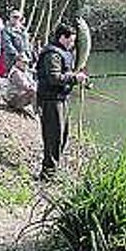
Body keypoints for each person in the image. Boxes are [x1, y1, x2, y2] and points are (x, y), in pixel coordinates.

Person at [35, 23, 87, 180]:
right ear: (62, 37)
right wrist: (74, 78)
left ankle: (53, 169)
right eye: (70, 40)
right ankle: (47, 173)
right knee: (53, 137)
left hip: (61, 100)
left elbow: (67, 74)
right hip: (50, 101)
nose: (72, 44)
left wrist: (79, 80)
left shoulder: (64, 53)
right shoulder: (52, 54)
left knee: (63, 136)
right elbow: (54, 78)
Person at [2, 9, 33, 74]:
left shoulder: (23, 30)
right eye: (14, 17)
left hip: (24, 58)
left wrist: (29, 55)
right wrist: (18, 55)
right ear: (10, 18)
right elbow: (7, 44)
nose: (16, 19)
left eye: (18, 17)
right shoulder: (6, 30)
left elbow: (27, 45)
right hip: (11, 58)